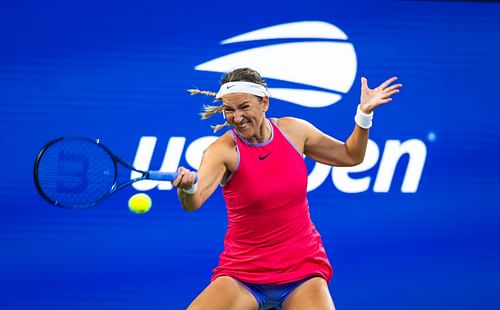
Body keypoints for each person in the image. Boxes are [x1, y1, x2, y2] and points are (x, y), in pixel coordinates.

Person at [172, 68, 402, 310]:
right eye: (229, 110)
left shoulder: (294, 131)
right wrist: (187, 189)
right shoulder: (223, 151)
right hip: (243, 276)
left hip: (302, 271)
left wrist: (363, 115)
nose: (236, 117)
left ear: (265, 103)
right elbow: (194, 202)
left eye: (244, 107)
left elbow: (350, 155)